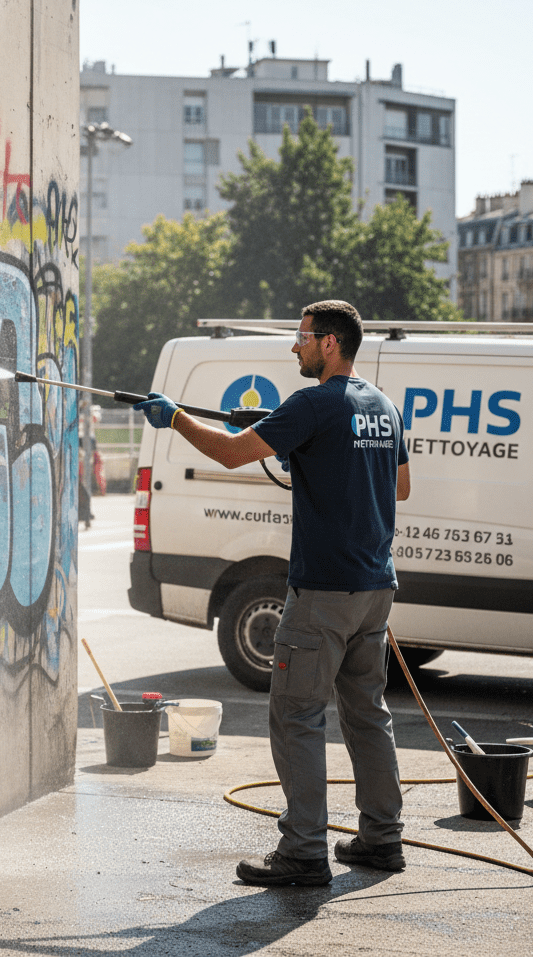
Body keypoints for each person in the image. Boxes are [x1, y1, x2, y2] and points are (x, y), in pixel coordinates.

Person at [134, 300, 410, 887]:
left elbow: (233, 453)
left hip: (323, 591)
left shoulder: (312, 403)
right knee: (368, 714)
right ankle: (383, 840)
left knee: (298, 716)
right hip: (375, 589)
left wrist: (175, 418)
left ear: (330, 342)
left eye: (303, 338)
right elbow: (400, 485)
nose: (295, 348)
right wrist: (305, 450)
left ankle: (305, 852)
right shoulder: (382, 406)